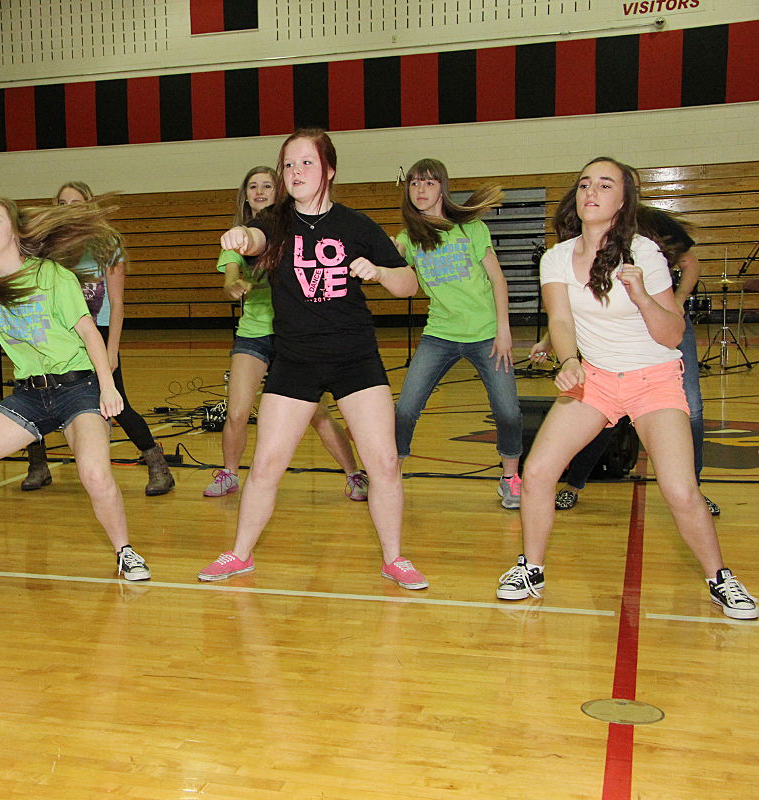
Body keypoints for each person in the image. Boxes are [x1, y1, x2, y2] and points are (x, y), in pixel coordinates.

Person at [496, 157, 755, 620]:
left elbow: (673, 335)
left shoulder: (644, 254)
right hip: (595, 379)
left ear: (621, 200)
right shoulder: (557, 257)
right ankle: (531, 567)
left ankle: (721, 578)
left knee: (679, 490)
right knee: (536, 474)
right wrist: (569, 360)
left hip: (652, 380)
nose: (590, 191)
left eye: (604, 184)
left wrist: (640, 296)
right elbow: (559, 319)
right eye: (583, 184)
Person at [197, 129, 428, 588]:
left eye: (306, 163)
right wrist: (240, 236)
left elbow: (410, 285)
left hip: (355, 358)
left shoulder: (357, 226)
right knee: (265, 465)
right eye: (289, 165)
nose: (296, 172)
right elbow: (255, 238)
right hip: (295, 360)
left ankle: (395, 558)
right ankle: (240, 554)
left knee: (382, 463)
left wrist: (379, 272)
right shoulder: (275, 220)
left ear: (329, 169)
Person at [0, 197, 151, 582]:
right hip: (29, 394)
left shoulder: (52, 276)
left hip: (78, 388)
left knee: (94, 473)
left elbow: (88, 331)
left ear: (14, 230)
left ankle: (125, 551)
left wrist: (109, 387)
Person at [529, 197, 716, 514]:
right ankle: (574, 485)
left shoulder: (654, 226)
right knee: (601, 419)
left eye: (609, 184)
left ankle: (692, 492)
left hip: (660, 328)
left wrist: (679, 301)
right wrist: (551, 340)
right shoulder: (590, 237)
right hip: (613, 345)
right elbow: (577, 302)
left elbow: (690, 263)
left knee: (692, 409)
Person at [205, 165, 369, 501]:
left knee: (318, 414)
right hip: (253, 334)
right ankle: (230, 473)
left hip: (292, 335)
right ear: (245, 194)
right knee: (236, 411)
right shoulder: (238, 235)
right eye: (253, 186)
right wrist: (233, 284)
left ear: (279, 192)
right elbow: (230, 273)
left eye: (267, 185)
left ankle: (354, 474)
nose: (260, 191)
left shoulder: (292, 231)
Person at [21, 182, 174, 497]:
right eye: (61, 202)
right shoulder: (47, 246)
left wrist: (112, 348)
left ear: (89, 206)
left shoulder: (106, 243)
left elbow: (117, 303)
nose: (68, 208)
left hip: (98, 332)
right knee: (34, 396)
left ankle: (157, 463)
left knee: (117, 403)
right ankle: (38, 463)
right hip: (58, 335)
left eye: (75, 202)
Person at [392, 160, 524, 508]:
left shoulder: (471, 229)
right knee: (405, 409)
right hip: (440, 334)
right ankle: (391, 476)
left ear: (442, 188)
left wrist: (504, 331)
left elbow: (498, 279)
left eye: (429, 183)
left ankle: (511, 479)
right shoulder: (409, 238)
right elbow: (391, 261)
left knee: (507, 411)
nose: (421, 190)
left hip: (486, 334)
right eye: (415, 183)